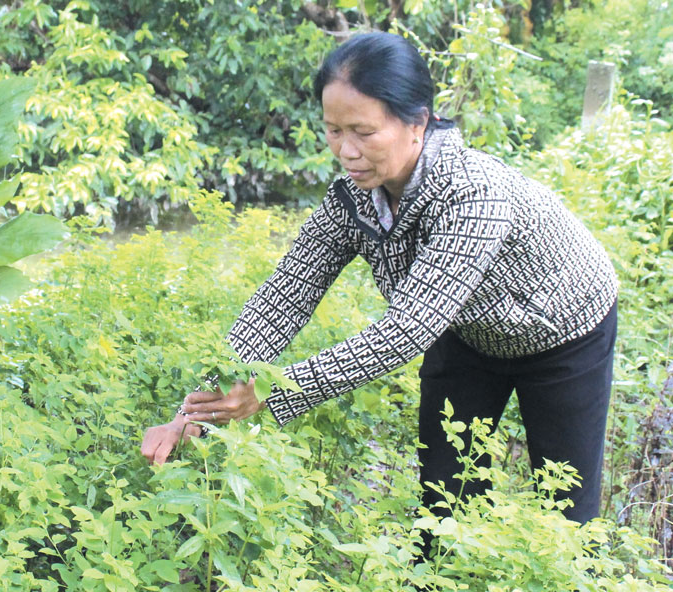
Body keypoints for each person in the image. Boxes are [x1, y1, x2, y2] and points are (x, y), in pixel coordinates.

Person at [141, 31, 617, 527]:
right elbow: (282, 298)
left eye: (364, 132)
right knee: (445, 495)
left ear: (418, 122)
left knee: (565, 508)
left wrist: (269, 393)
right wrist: (192, 411)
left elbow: (406, 330)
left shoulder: (474, 192)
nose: (346, 151)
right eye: (333, 131)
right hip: (463, 332)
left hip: (564, 331)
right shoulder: (350, 198)